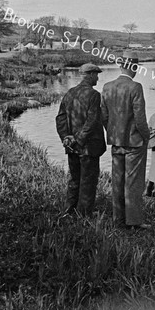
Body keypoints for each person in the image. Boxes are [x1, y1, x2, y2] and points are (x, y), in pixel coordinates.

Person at [101, 50, 150, 229]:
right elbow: (140, 119)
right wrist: (148, 137)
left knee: (117, 180)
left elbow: (103, 116)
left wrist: (112, 132)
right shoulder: (135, 87)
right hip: (134, 143)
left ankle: (118, 219)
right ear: (134, 68)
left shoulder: (107, 86)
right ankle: (134, 221)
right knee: (133, 183)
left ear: (120, 66)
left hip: (115, 142)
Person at [56, 63, 106, 218]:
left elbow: (60, 119)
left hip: (72, 147)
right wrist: (78, 139)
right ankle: (84, 215)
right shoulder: (94, 95)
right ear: (89, 75)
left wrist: (66, 139)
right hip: (87, 146)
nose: (97, 77)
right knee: (88, 181)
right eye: (96, 74)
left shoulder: (69, 93)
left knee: (74, 179)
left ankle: (69, 211)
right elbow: (92, 121)